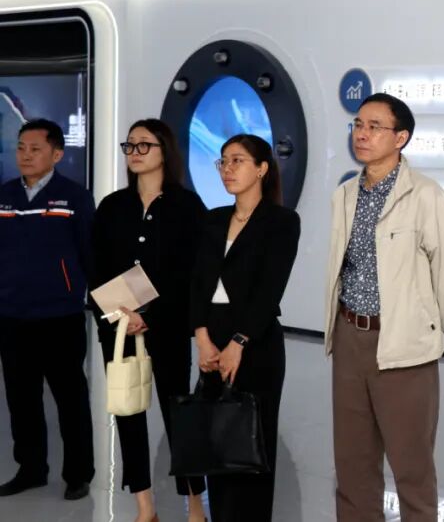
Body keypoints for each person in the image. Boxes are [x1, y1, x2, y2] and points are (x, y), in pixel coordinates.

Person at [324, 93, 444, 521]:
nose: (362, 134)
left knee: (411, 467)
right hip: (350, 337)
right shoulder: (345, 195)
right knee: (352, 464)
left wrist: (424, 326)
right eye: (358, 125)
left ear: (400, 138)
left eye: (374, 127)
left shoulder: (426, 195)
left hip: (403, 344)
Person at [90, 119, 208, 522]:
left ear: (165, 151)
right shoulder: (112, 207)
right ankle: (145, 506)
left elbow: (195, 272)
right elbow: (96, 268)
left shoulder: (187, 207)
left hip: (169, 326)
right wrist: (118, 314)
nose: (135, 152)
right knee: (128, 412)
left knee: (179, 414)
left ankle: (195, 506)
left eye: (144, 145)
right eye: (130, 145)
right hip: (119, 328)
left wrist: (151, 315)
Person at [189, 134, 300, 522]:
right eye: (223, 161)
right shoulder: (214, 218)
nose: (227, 169)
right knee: (217, 443)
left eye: (237, 160)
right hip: (212, 341)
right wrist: (202, 337)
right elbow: (197, 283)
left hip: (256, 344)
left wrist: (238, 341)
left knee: (254, 444)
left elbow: (270, 289)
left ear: (262, 168)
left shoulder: (281, 222)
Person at [0, 119, 95, 500]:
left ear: (56, 154)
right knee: (21, 399)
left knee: (70, 399)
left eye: (35, 149)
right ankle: (31, 469)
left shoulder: (74, 197)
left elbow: (90, 254)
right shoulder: (4, 196)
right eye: (21, 148)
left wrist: (106, 303)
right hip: (11, 316)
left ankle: (78, 474)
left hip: (61, 317)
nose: (26, 155)